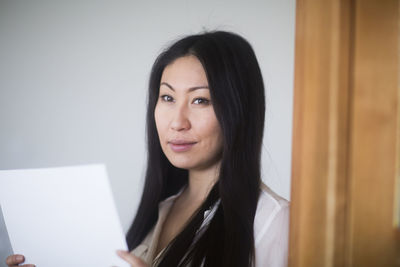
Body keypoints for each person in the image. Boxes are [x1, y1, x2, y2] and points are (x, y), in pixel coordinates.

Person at [6, 31, 289, 267]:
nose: (177, 122)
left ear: (239, 110)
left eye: (200, 100)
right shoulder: (162, 206)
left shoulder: (273, 223)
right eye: (167, 97)